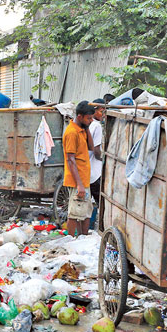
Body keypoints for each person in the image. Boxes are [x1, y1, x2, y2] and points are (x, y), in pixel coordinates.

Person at [63, 101, 95, 236]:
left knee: (86, 212)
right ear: (80, 116)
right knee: (75, 212)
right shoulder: (71, 133)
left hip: (84, 178)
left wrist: (87, 127)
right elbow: (71, 160)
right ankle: (70, 241)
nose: (91, 120)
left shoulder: (81, 130)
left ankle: (83, 239)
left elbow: (91, 147)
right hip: (77, 181)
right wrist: (79, 185)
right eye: (89, 118)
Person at [88, 98, 106, 229]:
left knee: (90, 202)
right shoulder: (97, 126)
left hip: (86, 169)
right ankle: (102, 227)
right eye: (101, 111)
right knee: (101, 202)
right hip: (95, 171)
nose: (103, 114)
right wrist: (103, 159)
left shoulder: (86, 124)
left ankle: (90, 226)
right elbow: (96, 150)